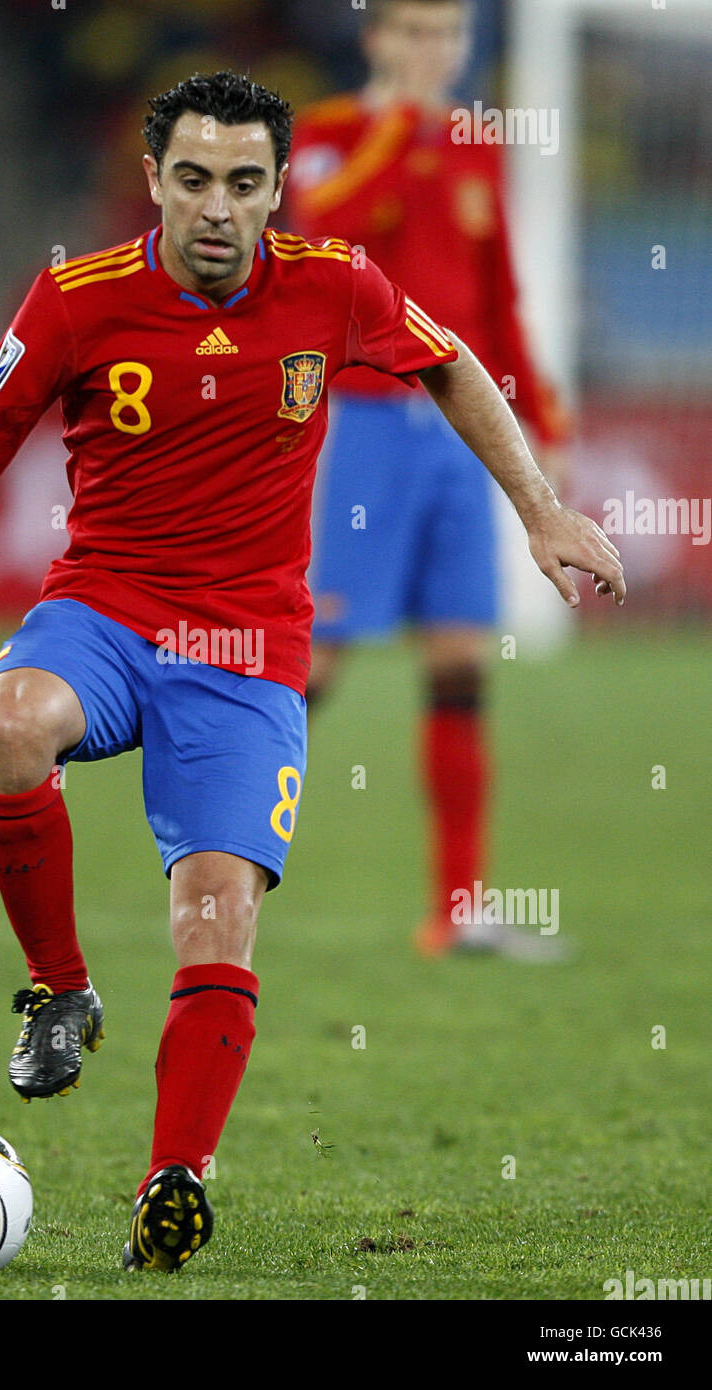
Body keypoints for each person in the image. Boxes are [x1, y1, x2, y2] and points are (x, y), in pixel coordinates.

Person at [0, 71, 624, 1272]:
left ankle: (171, 1181)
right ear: (153, 183)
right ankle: (58, 991)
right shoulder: (76, 302)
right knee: (12, 723)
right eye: (192, 180)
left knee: (216, 918)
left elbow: (450, 366)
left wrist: (540, 511)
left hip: (245, 652)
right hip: (107, 612)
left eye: (244, 182)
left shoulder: (335, 287)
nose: (217, 209)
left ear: (279, 188)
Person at [286, 0, 571, 958]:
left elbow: (500, 297)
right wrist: (399, 128)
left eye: (447, 33)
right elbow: (329, 234)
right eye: (412, 31)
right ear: (375, 40)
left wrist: (544, 419)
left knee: (460, 662)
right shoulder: (329, 134)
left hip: (464, 432)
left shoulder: (478, 145)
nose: (432, 50)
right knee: (317, 658)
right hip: (364, 425)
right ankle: (216, 857)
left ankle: (457, 912)